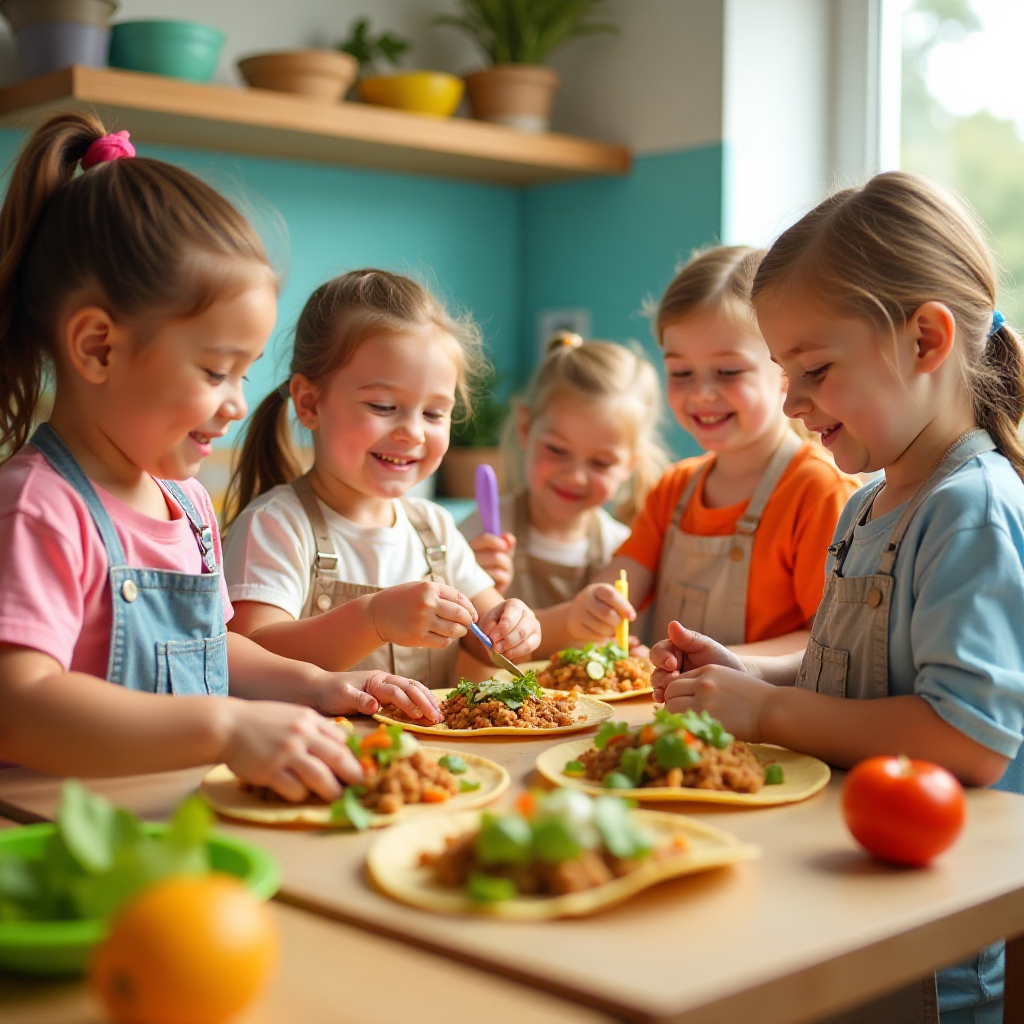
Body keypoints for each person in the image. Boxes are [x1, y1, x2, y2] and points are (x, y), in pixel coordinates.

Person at [650, 173, 1024, 1024]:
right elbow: (851, 680)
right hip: (844, 888)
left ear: (926, 338)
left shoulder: (970, 508)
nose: (790, 400)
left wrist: (765, 715)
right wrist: (753, 680)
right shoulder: (869, 502)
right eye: (785, 372)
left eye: (814, 368)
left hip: (921, 942)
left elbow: (965, 741)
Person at [0, 113, 439, 803]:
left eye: (245, 373)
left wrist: (319, 686)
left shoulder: (190, 504)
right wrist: (228, 728)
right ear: (97, 348)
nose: (237, 404)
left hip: (175, 821)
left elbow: (211, 655)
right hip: (53, 842)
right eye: (214, 372)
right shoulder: (39, 507)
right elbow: (20, 710)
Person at [223, 270, 541, 684]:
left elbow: (484, 634)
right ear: (309, 403)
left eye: (433, 413)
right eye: (383, 406)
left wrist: (511, 626)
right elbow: (248, 661)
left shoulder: (436, 529)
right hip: (324, 748)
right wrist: (371, 620)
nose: (412, 431)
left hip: (432, 751)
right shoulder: (274, 525)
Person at [540, 246, 859, 657]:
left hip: (759, 719)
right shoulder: (672, 490)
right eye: (681, 372)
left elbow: (828, 643)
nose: (701, 393)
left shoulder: (819, 491)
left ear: (786, 371)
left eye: (728, 371)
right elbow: (614, 590)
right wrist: (594, 610)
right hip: (665, 719)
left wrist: (715, 661)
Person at [459, 332, 667, 613]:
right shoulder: (479, 535)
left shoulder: (621, 552)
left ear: (629, 465)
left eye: (600, 463)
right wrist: (470, 582)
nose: (575, 477)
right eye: (557, 450)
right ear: (525, 428)